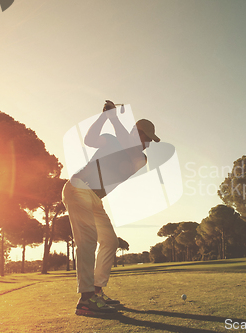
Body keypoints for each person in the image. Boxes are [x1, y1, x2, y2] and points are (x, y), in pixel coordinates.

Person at [62, 100, 160, 317]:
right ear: (138, 133)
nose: (148, 145)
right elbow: (89, 139)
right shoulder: (112, 140)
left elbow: (130, 148)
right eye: (147, 139)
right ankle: (86, 300)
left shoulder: (140, 158)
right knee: (87, 241)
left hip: (95, 198)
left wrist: (114, 118)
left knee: (109, 241)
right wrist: (105, 117)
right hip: (78, 188)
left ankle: (96, 291)